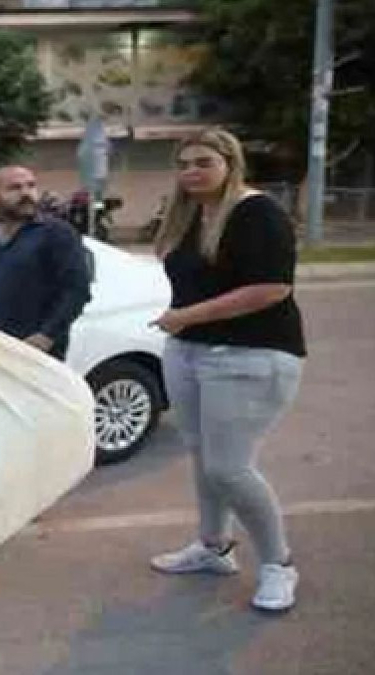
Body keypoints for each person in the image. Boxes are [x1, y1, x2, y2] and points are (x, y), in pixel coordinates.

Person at [148, 128, 306, 613]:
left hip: (250, 354)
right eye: (184, 164)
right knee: (204, 459)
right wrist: (184, 326)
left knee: (229, 468)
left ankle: (279, 564)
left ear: (230, 164)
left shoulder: (256, 212)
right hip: (189, 351)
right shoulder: (190, 215)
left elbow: (271, 288)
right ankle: (213, 547)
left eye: (204, 162)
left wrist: (186, 317)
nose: (192, 172)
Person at [0, 166, 91, 360]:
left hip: (39, 354)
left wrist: (46, 336)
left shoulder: (56, 233)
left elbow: (76, 291)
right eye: (15, 188)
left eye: (31, 186)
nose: (26, 193)